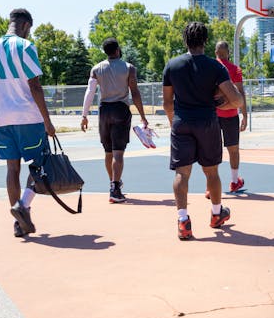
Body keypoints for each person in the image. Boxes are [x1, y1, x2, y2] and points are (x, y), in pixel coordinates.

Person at [162, 22, 243, 240]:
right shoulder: (215, 67)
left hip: (182, 122)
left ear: (185, 40)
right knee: (212, 172)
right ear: (206, 41)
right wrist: (219, 105)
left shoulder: (172, 65)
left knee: (182, 173)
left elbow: (167, 103)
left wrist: (174, 124)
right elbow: (236, 100)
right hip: (207, 122)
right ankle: (216, 214)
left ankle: (183, 221)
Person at [0, 8, 56, 238]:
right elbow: (34, 86)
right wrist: (47, 120)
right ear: (26, 26)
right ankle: (22, 206)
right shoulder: (25, 47)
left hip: (2, 119)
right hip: (27, 117)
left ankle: (18, 223)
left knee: (12, 169)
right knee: (40, 164)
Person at [81, 38, 149, 203]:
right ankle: (115, 188)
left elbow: (89, 92)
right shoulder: (128, 68)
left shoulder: (97, 69)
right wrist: (142, 115)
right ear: (118, 49)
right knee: (118, 152)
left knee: (108, 151)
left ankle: (113, 184)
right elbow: (135, 92)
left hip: (104, 110)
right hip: (120, 109)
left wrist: (84, 115)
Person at [213, 40, 247, 193]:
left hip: (212, 115)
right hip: (231, 114)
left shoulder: (209, 67)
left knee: (212, 150)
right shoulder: (235, 69)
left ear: (215, 52)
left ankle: (210, 185)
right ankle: (234, 181)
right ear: (228, 52)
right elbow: (240, 93)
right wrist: (245, 115)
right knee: (233, 150)